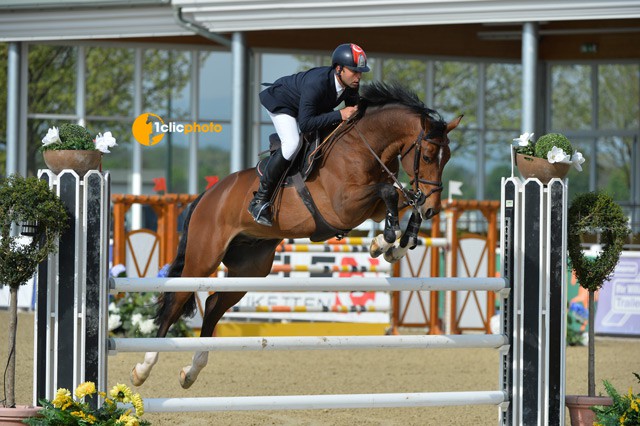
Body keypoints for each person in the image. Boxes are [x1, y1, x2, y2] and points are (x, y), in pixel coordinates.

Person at [248, 43, 371, 226]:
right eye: (354, 71)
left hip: (307, 108)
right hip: (283, 104)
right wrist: (339, 114)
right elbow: (306, 124)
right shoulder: (317, 84)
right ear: (339, 69)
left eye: (360, 72)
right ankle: (259, 201)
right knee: (291, 144)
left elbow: (355, 111)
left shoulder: (350, 85)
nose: (358, 76)